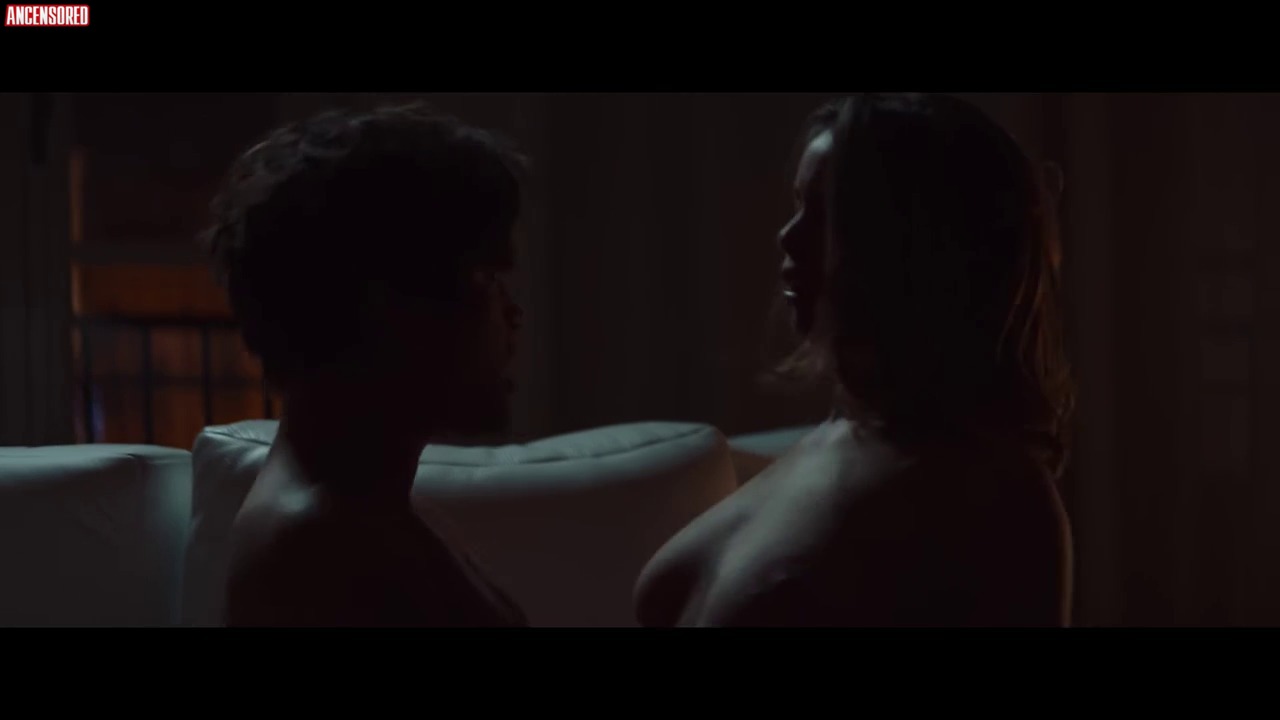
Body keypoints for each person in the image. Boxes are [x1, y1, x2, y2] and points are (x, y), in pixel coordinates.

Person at [634, 94, 1076, 627]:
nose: (788, 236)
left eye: (829, 215)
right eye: (799, 204)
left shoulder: (995, 494)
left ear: (913, 245)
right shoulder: (832, 440)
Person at [201, 103, 528, 627]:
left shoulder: (366, 512)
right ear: (388, 308)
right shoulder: (324, 557)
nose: (512, 313)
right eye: (486, 279)